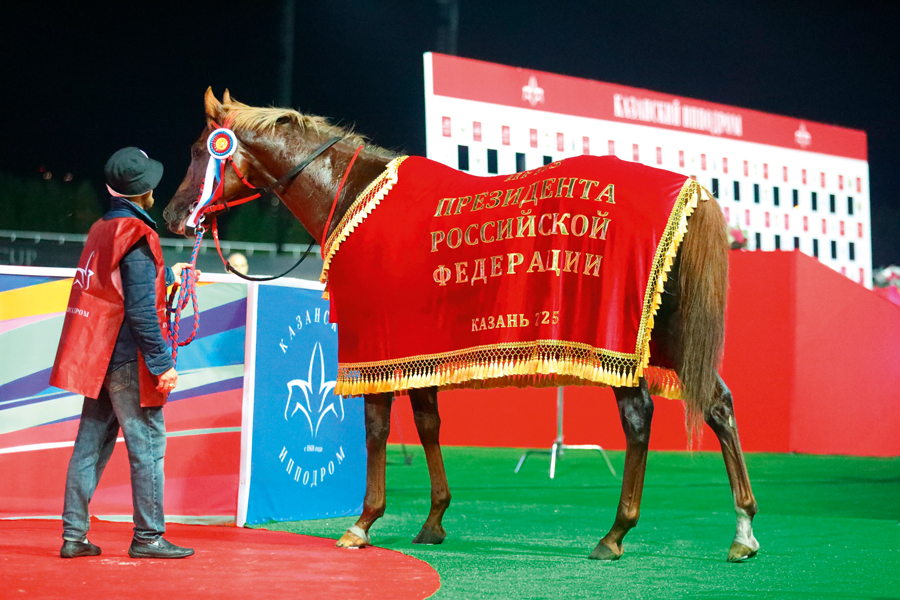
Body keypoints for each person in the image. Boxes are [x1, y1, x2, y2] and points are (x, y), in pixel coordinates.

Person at [50, 147, 199, 559]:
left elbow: (119, 291)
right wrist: (162, 363)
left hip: (99, 354)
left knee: (89, 446)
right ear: (143, 190)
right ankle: (148, 537)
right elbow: (139, 309)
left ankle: (74, 536)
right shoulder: (137, 233)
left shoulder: (101, 228)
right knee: (148, 447)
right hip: (129, 358)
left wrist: (171, 280)